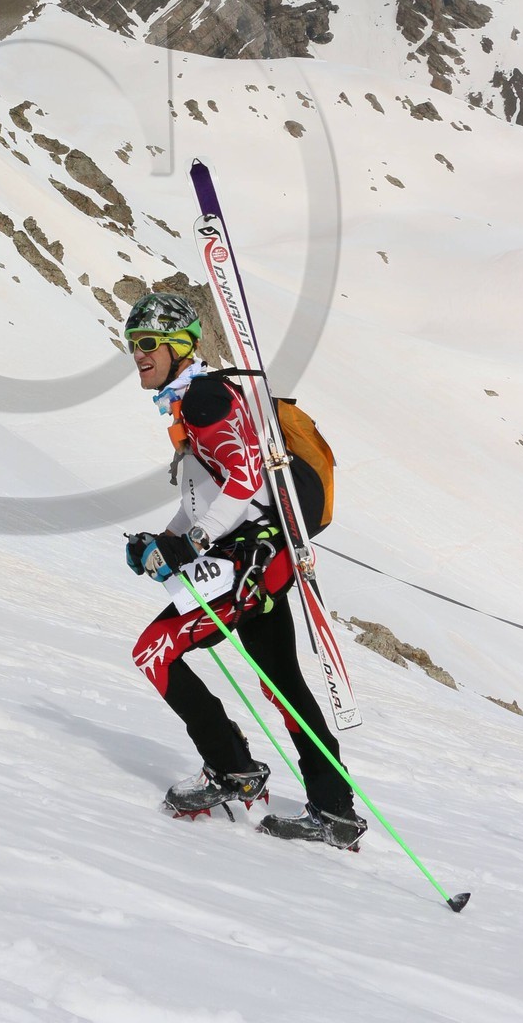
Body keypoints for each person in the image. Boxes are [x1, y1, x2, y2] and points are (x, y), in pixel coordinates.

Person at [123, 291, 366, 849]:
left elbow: (245, 479)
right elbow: (199, 501)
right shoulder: (195, 404)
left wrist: (196, 542)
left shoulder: (205, 398)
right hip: (265, 561)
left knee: (154, 651)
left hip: (248, 562)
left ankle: (233, 771)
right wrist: (162, 542)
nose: (138, 354)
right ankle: (335, 811)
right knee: (283, 684)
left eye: (149, 343)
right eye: (132, 344)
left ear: (180, 345)